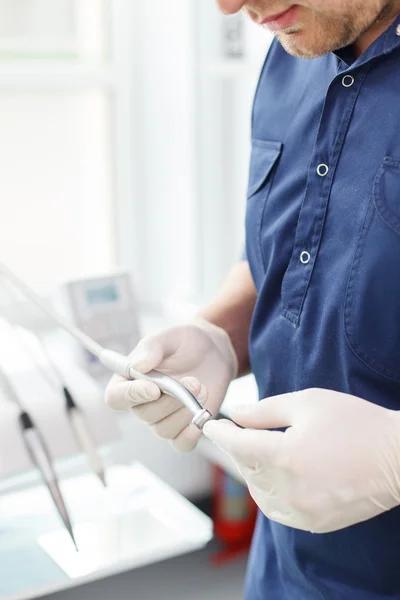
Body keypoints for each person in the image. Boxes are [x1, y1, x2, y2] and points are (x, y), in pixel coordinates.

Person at [106, 1, 400, 598]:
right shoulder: (295, 49)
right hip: (285, 570)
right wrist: (217, 334)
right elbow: (291, 253)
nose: (230, 5)